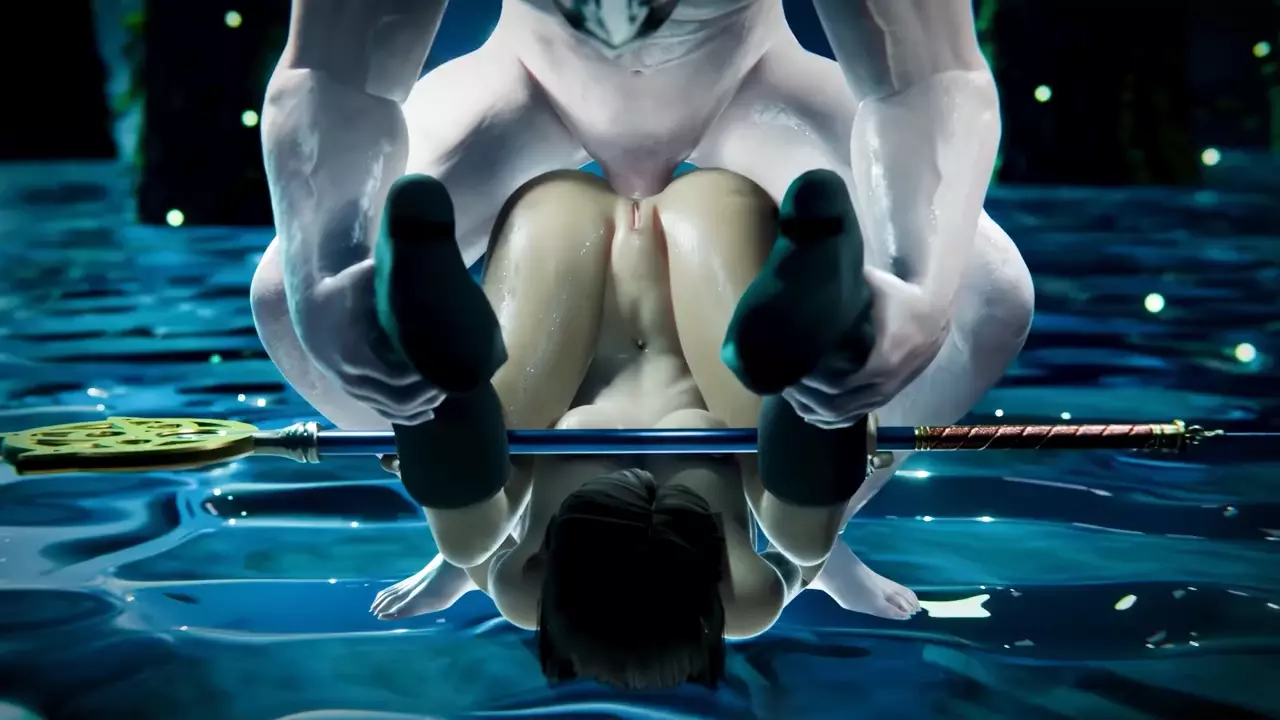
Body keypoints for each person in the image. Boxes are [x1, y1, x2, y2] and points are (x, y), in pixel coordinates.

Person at [251, 0, 1034, 644]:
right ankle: (482, 512)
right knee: (293, 295)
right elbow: (333, 71)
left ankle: (473, 505)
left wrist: (923, 292)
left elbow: (931, 73)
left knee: (983, 295)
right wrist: (324, 275)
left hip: (750, 72)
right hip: (527, 75)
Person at [363, 166, 906, 690]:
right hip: (560, 224)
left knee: (803, 537)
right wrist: (434, 458)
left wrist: (838, 449)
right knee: (467, 539)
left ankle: (814, 388)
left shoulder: (740, 602)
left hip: (708, 223)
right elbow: (479, 547)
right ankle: (437, 388)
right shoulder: (528, 591)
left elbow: (804, 560)